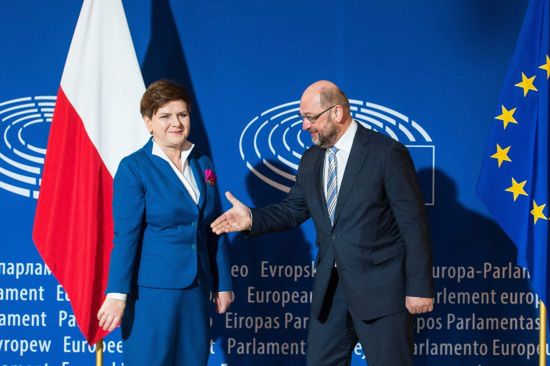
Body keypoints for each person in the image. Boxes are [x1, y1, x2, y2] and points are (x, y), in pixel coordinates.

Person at [211, 80, 433, 365]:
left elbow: (413, 224)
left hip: (381, 291)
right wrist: (252, 218)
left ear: (337, 113)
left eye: (310, 117)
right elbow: (293, 210)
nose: (305, 126)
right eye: (302, 118)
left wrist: (419, 288)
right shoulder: (311, 159)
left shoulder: (386, 153)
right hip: (331, 291)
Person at [97, 80, 233, 365]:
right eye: (165, 116)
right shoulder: (134, 167)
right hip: (152, 294)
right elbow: (126, 236)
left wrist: (222, 282)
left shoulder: (202, 163)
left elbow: (213, 227)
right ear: (148, 122)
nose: (176, 123)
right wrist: (117, 293)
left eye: (182, 114)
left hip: (196, 289)